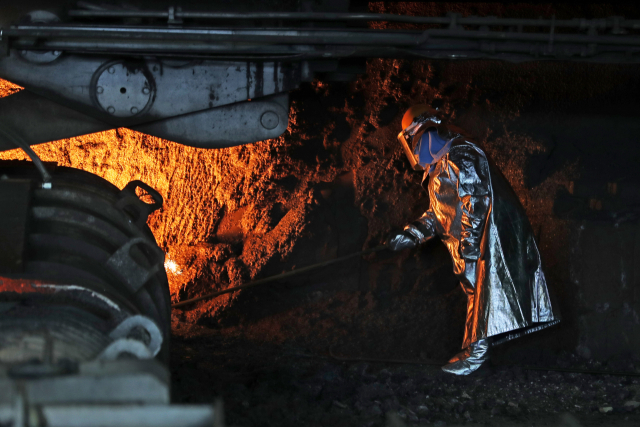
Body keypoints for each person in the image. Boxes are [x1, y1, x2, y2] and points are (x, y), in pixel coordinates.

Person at [388, 105, 559, 375]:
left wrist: (470, 246)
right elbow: (439, 214)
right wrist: (411, 233)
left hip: (484, 244)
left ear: (426, 133)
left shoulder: (461, 156)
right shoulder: (440, 168)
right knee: (476, 297)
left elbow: (474, 202)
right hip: (471, 247)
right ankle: (473, 352)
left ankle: (475, 356)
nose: (415, 148)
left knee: (481, 296)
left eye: (416, 140)